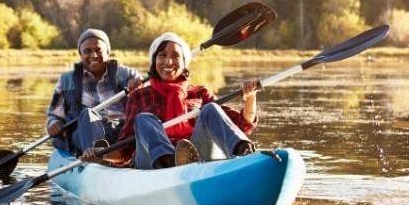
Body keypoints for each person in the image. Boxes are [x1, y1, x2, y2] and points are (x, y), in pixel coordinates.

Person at [82, 32, 259, 169]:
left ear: (184, 63)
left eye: (176, 56)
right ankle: (168, 161)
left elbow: (243, 125)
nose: (169, 61)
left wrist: (250, 98)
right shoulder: (140, 95)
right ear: (154, 61)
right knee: (144, 118)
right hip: (152, 164)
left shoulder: (200, 93)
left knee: (210, 108)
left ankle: (244, 153)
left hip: (196, 154)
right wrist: (101, 154)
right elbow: (125, 151)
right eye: (162, 55)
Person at [46, 28, 142, 155]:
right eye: (87, 51)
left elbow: (146, 98)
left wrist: (139, 87)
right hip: (84, 133)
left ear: (108, 52)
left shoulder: (129, 74)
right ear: (80, 55)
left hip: (120, 132)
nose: (94, 55)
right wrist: (53, 123)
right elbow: (54, 115)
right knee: (87, 113)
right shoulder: (66, 80)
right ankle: (97, 155)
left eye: (98, 50)